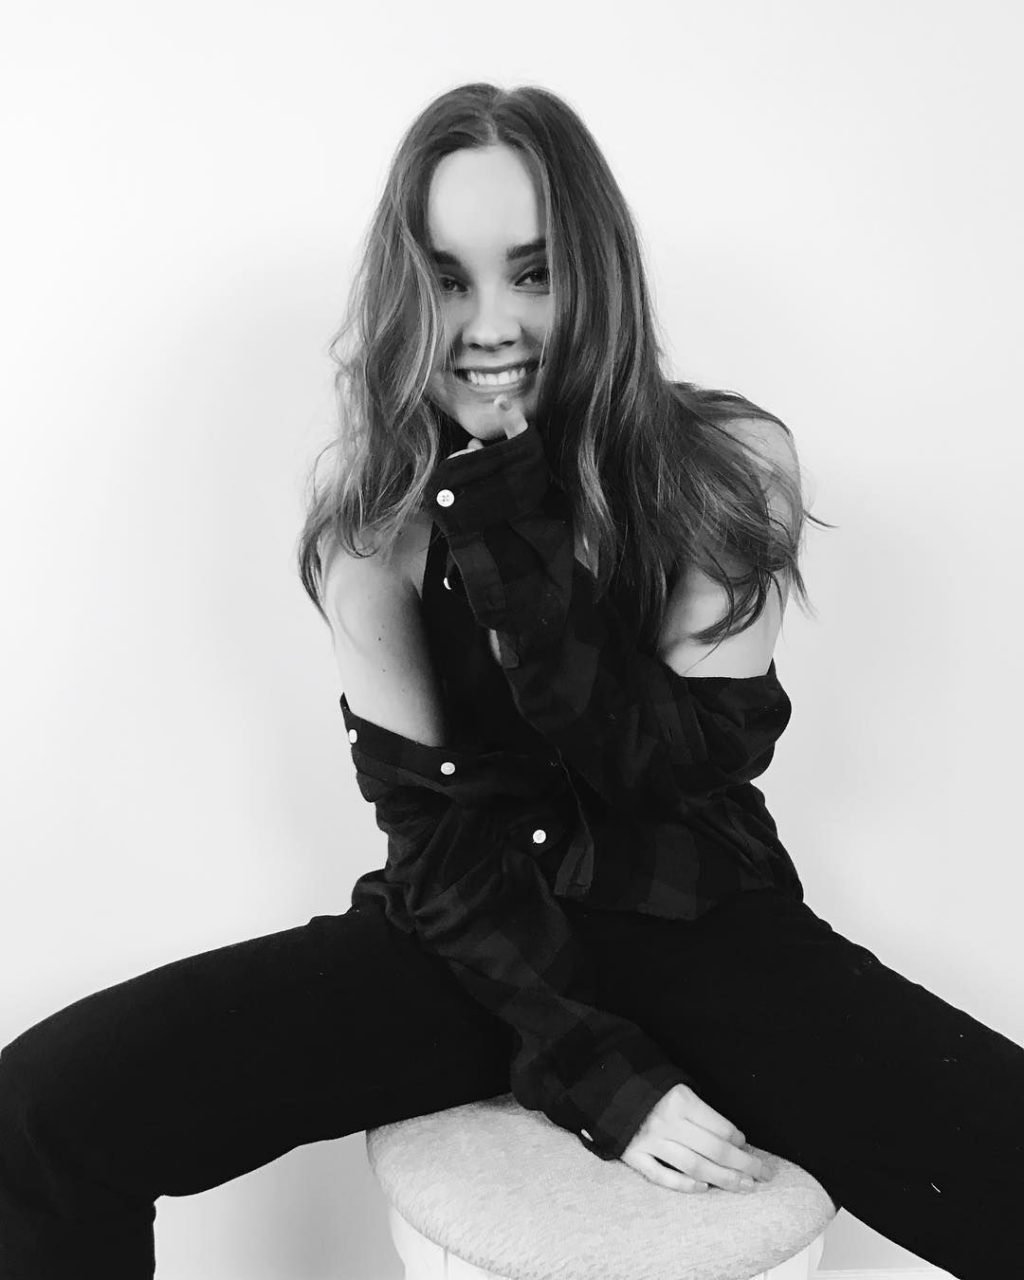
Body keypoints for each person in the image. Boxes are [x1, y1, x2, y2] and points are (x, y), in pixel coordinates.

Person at [0, 83, 1020, 1280]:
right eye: (447, 279)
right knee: (41, 1114)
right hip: (475, 934)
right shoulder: (373, 527)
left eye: (532, 273)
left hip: (699, 923)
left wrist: (509, 520)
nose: (489, 323)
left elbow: (658, 770)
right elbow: (432, 833)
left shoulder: (726, 468)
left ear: (597, 276)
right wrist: (598, 1073)